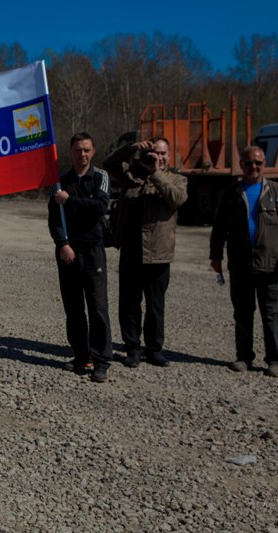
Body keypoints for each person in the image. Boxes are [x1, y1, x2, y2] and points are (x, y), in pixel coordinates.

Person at [210, 146, 278, 377]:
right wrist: (215, 256)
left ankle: (275, 359)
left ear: (264, 164)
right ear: (242, 164)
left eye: (257, 162)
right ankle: (243, 357)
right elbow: (219, 228)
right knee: (243, 313)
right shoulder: (231, 194)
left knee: (271, 314)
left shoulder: (277, 192)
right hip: (240, 264)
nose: (253, 167)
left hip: (270, 264)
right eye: (248, 163)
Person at [104, 137, 188, 368]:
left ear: (169, 157)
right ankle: (132, 347)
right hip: (131, 250)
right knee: (129, 303)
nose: (157, 157)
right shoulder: (131, 175)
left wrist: (156, 173)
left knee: (155, 305)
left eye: (162, 154)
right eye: (153, 153)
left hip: (159, 253)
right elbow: (109, 164)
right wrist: (130, 148)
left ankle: (154, 349)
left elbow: (176, 199)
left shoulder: (177, 179)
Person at [48, 132, 112, 383]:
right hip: (68, 254)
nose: (82, 154)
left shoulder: (100, 177)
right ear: (70, 152)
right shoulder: (60, 181)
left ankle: (101, 360)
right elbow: (54, 219)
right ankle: (81, 355)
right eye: (77, 150)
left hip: (93, 252)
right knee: (73, 309)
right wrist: (62, 244)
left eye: (86, 150)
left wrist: (70, 200)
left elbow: (100, 206)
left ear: (93, 151)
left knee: (97, 308)